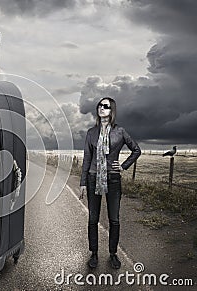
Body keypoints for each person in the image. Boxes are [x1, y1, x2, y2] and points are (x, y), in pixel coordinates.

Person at [79, 97, 141, 269]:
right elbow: (87, 158)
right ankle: (94, 253)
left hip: (113, 179)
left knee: (114, 219)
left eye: (105, 106)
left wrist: (123, 166)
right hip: (93, 178)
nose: (101, 108)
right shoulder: (91, 132)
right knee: (93, 219)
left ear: (112, 110)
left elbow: (136, 150)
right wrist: (83, 182)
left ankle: (113, 254)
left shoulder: (120, 131)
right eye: (100, 105)